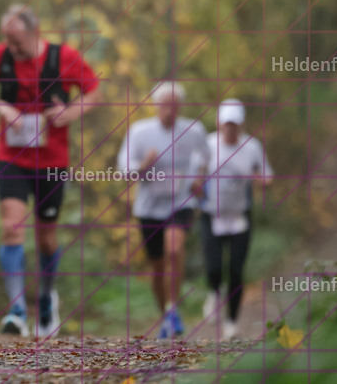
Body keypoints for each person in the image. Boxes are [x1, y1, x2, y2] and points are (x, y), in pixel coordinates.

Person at [0, 5, 100, 338]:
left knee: (46, 234)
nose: (13, 47)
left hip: (52, 160)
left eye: (17, 40)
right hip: (12, 158)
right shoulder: (1, 58)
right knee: (11, 227)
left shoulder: (63, 57)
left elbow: (94, 91)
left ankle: (48, 298)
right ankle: (17, 310)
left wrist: (71, 112)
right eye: (7, 39)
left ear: (35, 32)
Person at [115, 81, 210, 339]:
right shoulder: (140, 132)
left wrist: (200, 178)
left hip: (181, 202)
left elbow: (207, 157)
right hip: (148, 208)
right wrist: (144, 164)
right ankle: (167, 313)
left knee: (174, 248)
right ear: (156, 106)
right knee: (157, 267)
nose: (171, 110)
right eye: (166, 105)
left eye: (176, 105)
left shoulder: (194, 129)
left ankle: (173, 309)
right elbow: (123, 170)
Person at [192, 99, 273, 341]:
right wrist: (196, 186)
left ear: (241, 124)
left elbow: (267, 175)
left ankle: (231, 323)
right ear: (219, 123)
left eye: (234, 124)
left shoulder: (251, 146)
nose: (230, 129)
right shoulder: (207, 144)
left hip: (239, 215)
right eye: (226, 124)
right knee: (214, 267)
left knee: (237, 270)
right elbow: (194, 177)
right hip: (211, 214)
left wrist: (262, 180)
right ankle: (214, 293)